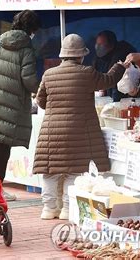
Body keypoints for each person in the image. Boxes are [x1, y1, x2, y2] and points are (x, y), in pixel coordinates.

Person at [33, 34, 128, 220]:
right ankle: (68, 210)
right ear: (81, 56)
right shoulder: (87, 72)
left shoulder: (49, 74)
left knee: (50, 172)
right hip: (78, 131)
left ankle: (49, 209)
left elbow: (40, 101)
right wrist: (120, 67)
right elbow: (108, 80)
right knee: (74, 170)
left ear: (63, 55)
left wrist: (56, 108)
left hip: (51, 131)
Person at [0, 10, 40, 201]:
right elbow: (29, 82)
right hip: (10, 108)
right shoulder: (26, 49)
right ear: (32, 29)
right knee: (2, 151)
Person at [93, 30, 134, 101]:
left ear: (111, 45)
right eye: (97, 44)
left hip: (121, 97)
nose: (98, 46)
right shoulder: (98, 58)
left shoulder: (122, 54)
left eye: (101, 44)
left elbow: (113, 79)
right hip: (104, 97)